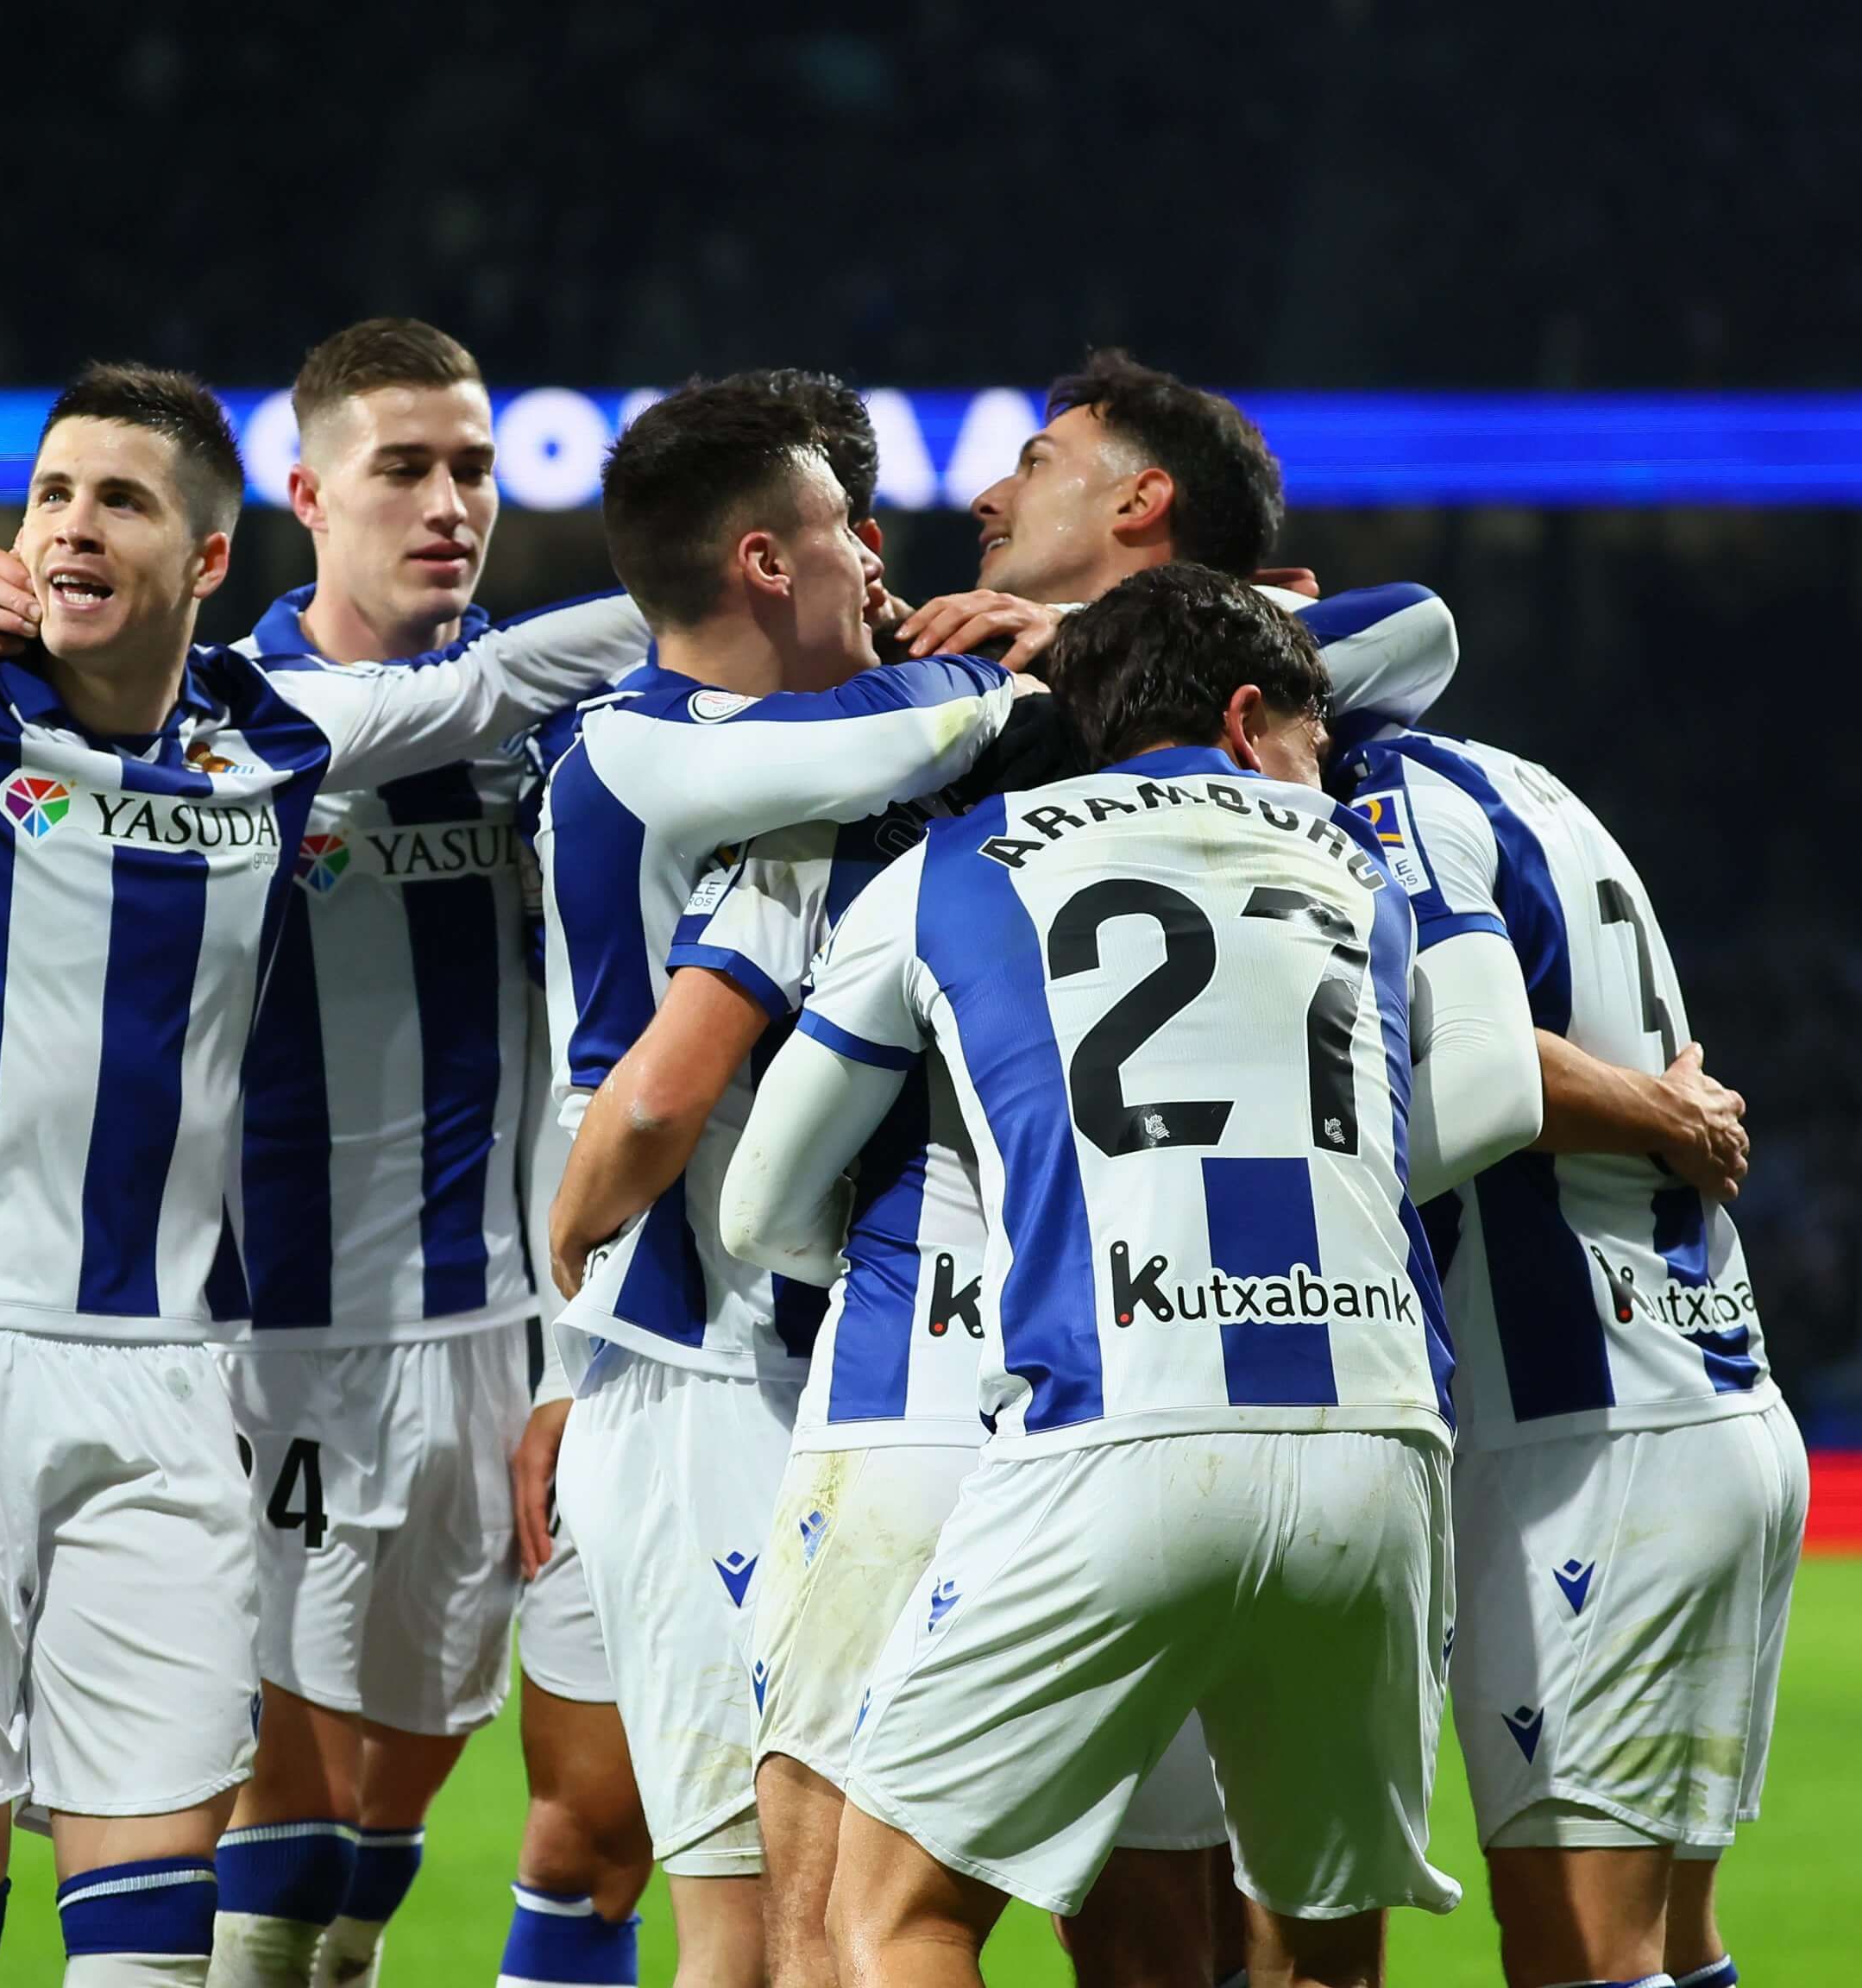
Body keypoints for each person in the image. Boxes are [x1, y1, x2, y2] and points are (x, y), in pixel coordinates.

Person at [0, 130, 651, 1988]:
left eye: (118, 503)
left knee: (159, 1933)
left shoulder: (276, 748)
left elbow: (519, 671)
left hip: (177, 1385)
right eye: (50, 495)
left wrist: (805, 600)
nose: (70, 528)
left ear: (209, 555)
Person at [559, 357, 1489, 1988]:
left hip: (955, 1366)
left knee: (872, 1910)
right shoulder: (1306, 800)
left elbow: (1415, 622)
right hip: (1269, 1374)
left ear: (1139, 508)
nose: (976, 502)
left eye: (1033, 464)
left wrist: (1055, 667)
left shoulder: (945, 772)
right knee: (1213, 1920)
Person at [0, 316, 559, 1988]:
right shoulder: (224, 719)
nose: (448, 504)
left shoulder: (542, 727)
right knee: (265, 1839)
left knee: (377, 1833)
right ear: (301, 494)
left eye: (474, 471)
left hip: (482, 1334)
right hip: (252, 1340)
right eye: (403, 470)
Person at [531, 374, 1028, 1988]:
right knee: (753, 1926)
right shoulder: (642, 750)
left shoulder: (818, 767)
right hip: (699, 1372)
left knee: (837, 1897)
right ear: (762, 563)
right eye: (842, 532)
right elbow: (651, 1109)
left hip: (796, 1369)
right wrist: (1016, 659)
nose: (876, 556)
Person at [1336, 684, 1793, 1988]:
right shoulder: (1516, 780)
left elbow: (1480, 1070)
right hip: (1702, 1389)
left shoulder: (1389, 794)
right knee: (1664, 1938)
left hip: (1588, 1430)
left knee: (1577, 1953)